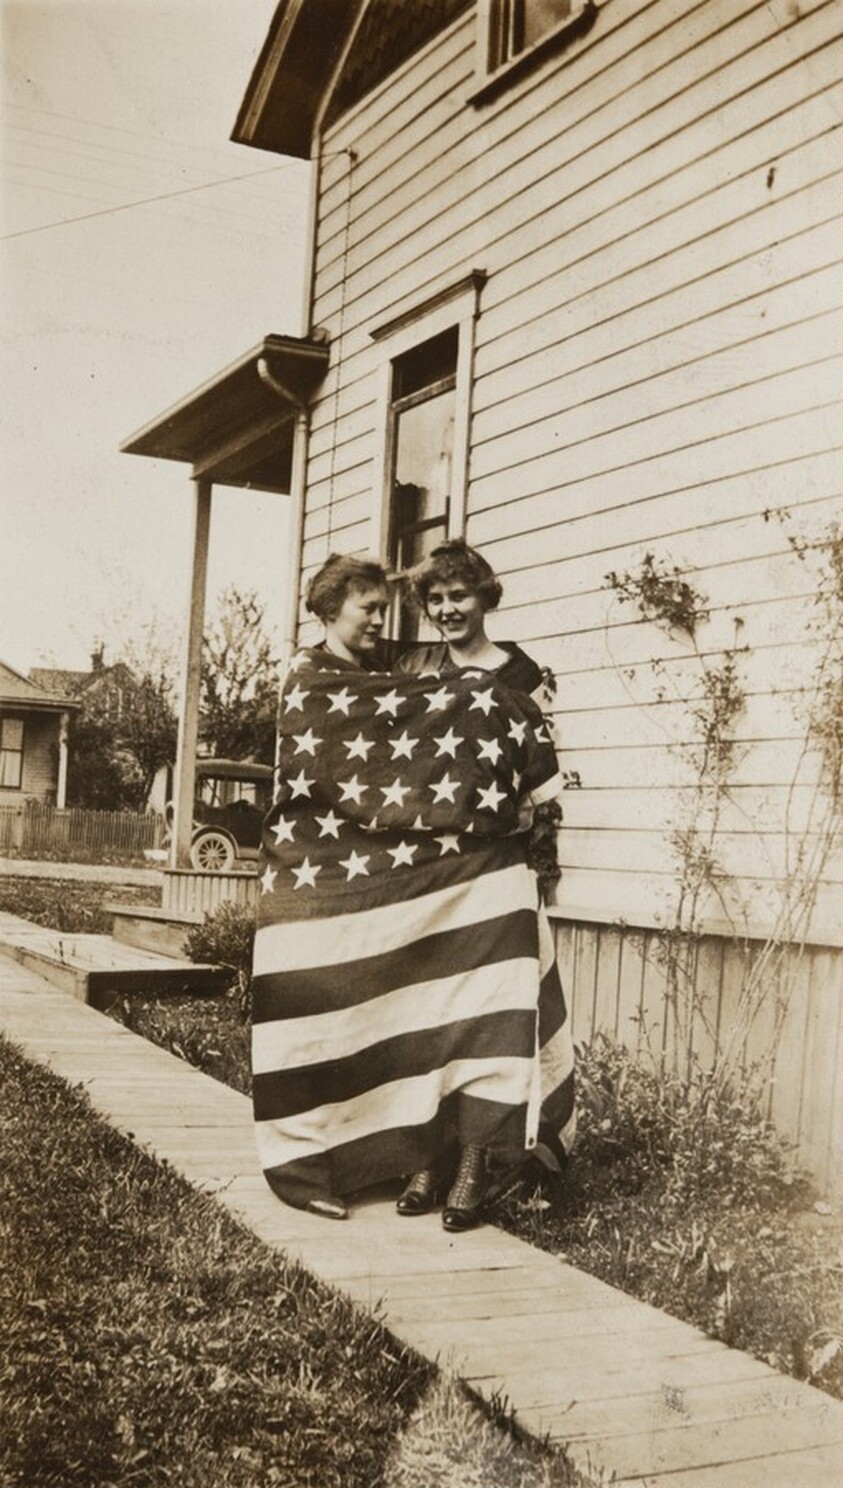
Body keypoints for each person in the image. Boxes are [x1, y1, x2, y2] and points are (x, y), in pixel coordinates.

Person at [251, 551, 575, 1229]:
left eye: (461, 596)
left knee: (466, 1015)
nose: (384, 619)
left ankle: (469, 1163)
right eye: (369, 609)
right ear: (329, 609)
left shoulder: (491, 673)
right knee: (387, 1019)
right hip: (383, 882)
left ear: (485, 597)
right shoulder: (367, 675)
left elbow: (519, 767)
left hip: (476, 878)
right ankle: (379, 1161)